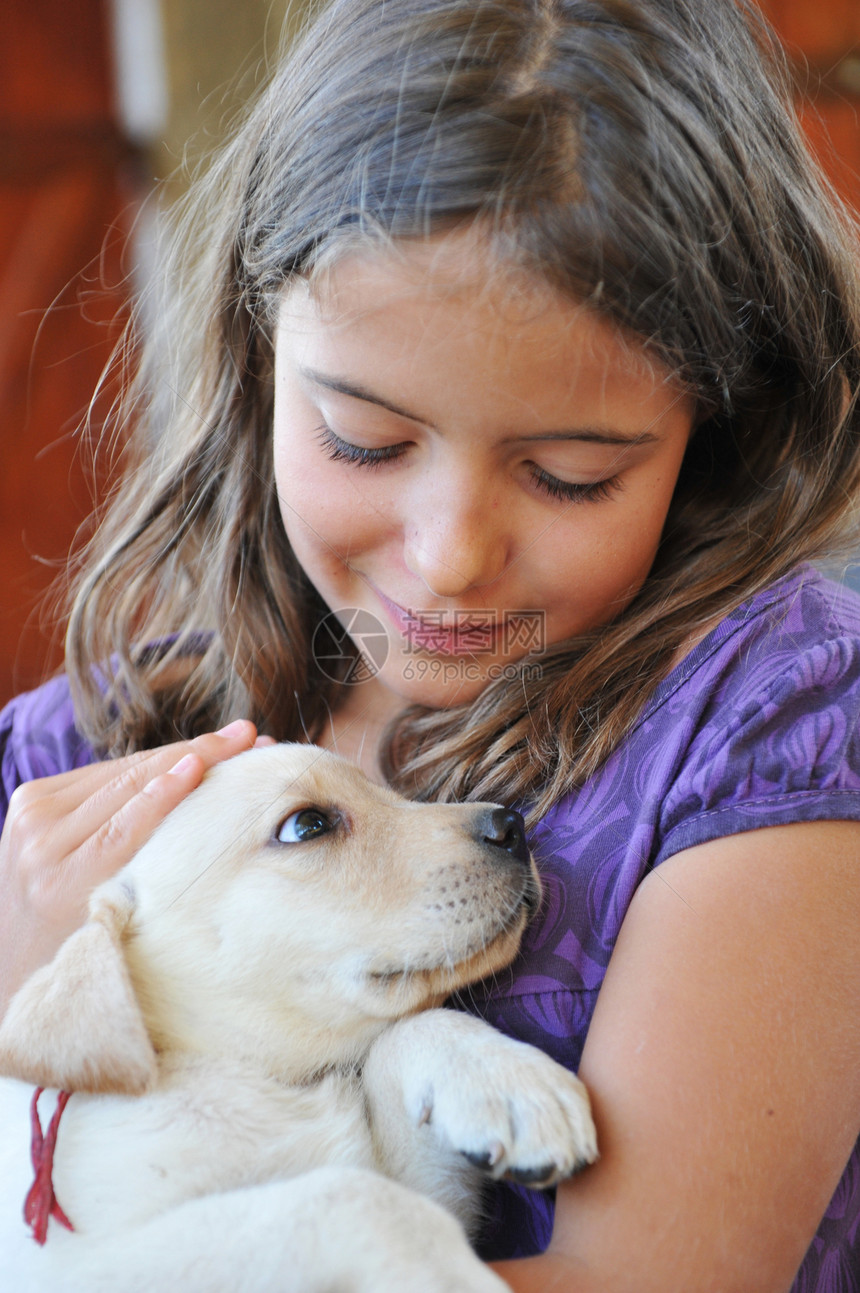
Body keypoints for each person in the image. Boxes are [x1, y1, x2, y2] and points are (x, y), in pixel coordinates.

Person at [1, 0, 859, 1287]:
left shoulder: (767, 723)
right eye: (365, 441)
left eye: (568, 474)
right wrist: (29, 984)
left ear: (716, 426)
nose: (450, 555)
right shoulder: (85, 764)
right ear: (256, 350)